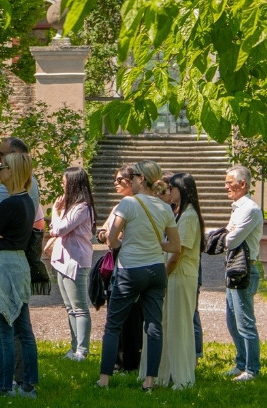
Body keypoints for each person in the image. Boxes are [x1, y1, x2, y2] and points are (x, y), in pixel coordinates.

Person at [96, 160, 180, 391]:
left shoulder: (129, 203)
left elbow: (112, 240)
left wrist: (127, 242)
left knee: (113, 325)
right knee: (153, 326)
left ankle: (104, 379)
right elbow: (175, 246)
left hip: (130, 269)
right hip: (155, 270)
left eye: (132, 175)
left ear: (141, 179)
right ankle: (149, 381)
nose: (129, 179)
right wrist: (153, 243)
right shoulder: (164, 207)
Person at [0, 152, 39, 400]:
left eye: (1, 168)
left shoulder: (10, 203)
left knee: (4, 331)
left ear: (12, 171)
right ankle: (28, 386)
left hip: (2, 265)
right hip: (19, 264)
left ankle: (3, 387)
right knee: (24, 329)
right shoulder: (27, 202)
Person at [153, 172, 205, 389]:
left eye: (171, 188)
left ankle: (183, 378)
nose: (169, 192)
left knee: (180, 326)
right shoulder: (181, 214)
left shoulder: (189, 216)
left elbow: (178, 253)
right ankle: (168, 373)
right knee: (170, 324)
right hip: (177, 276)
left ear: (180, 190)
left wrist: (162, 277)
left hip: (181, 276)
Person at [96, 166, 143, 372]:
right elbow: (104, 233)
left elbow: (115, 236)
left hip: (130, 262)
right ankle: (117, 359)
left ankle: (129, 360)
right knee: (115, 312)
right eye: (114, 180)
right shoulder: (118, 206)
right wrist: (106, 235)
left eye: (119, 179)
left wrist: (110, 236)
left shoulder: (136, 205)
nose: (115, 183)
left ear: (131, 180)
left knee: (131, 315)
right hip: (116, 262)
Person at [49, 166, 95, 361]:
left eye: (64, 181)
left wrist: (54, 211)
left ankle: (82, 350)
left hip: (75, 261)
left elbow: (59, 229)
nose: (62, 184)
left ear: (74, 183)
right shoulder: (71, 206)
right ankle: (74, 347)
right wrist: (59, 213)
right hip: (62, 260)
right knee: (69, 307)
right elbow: (56, 228)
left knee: (79, 307)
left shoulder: (82, 207)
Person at [223, 164, 263, 382]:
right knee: (232, 320)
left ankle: (252, 368)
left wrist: (226, 234)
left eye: (229, 182)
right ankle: (241, 363)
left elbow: (231, 239)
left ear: (242, 184)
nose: (225, 186)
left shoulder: (250, 209)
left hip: (245, 270)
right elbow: (227, 236)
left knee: (245, 322)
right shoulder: (238, 207)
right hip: (233, 268)